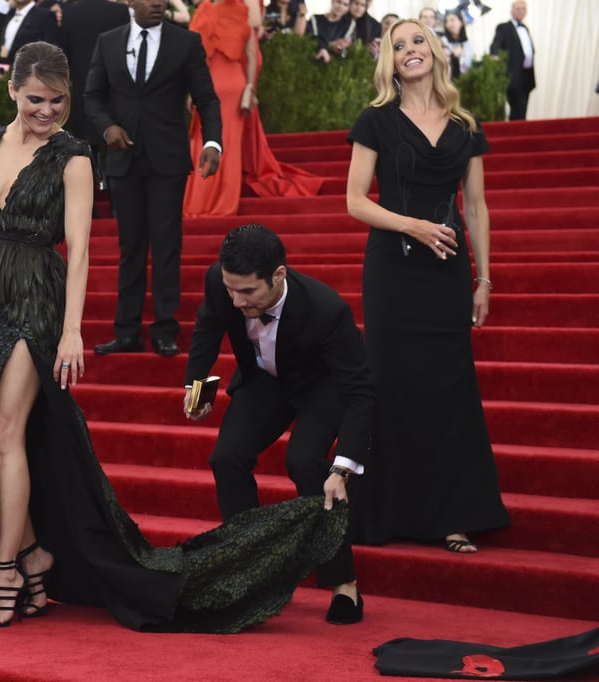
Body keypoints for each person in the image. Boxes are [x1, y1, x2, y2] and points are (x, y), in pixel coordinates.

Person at [0, 41, 347, 632]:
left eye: (58, 101)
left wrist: (71, 331)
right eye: (34, 99)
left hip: (34, 302)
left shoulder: (72, 157)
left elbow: (79, 253)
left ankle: (5, 573)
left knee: (4, 430)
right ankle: (32, 553)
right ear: (12, 91)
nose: (46, 110)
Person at [345, 19, 510, 552]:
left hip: (446, 276)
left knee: (447, 392)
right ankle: (387, 512)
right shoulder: (376, 121)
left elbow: (477, 209)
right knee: (390, 386)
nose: (409, 50)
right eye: (399, 46)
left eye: (418, 41)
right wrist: (411, 224)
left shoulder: (465, 124)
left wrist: (482, 279)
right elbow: (356, 200)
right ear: (388, 61)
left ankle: (452, 515)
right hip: (392, 272)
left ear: (435, 53)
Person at [183, 224, 373, 624]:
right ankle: (250, 572)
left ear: (279, 276)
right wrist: (198, 388)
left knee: (306, 463)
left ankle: (345, 586)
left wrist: (343, 467)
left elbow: (359, 392)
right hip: (263, 382)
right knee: (226, 458)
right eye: (230, 289)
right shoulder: (223, 283)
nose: (236, 300)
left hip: (320, 388)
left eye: (248, 292)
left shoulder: (327, 309)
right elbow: (207, 328)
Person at [85, 0, 222, 358]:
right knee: (130, 248)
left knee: (166, 246)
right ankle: (127, 331)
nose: (159, 3)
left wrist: (212, 142)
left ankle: (165, 329)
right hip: (124, 159)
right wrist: (107, 128)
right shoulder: (107, 42)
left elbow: (206, 98)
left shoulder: (186, 43)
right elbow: (92, 97)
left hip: (168, 161)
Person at [182, 0, 321, 217]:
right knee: (226, 144)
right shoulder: (241, 11)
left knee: (203, 141)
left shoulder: (201, 12)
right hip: (233, 85)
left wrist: (192, 90)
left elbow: (195, 59)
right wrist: (250, 88)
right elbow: (252, 55)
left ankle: (196, 203)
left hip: (208, 85)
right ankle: (220, 203)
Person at [58, 0, 129, 150]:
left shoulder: (70, 11)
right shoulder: (121, 11)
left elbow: (64, 51)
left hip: (81, 84)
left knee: (85, 144)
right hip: (114, 87)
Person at [489, 0, 534, 121]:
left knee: (522, 110)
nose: (521, 11)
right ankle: (517, 136)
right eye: (518, 9)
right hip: (513, 77)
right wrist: (494, 54)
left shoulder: (525, 28)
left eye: (523, 9)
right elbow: (495, 45)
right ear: (511, 11)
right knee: (518, 109)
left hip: (526, 77)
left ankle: (522, 135)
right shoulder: (504, 28)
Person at [0, 0, 60, 67]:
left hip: (29, 71)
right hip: (2, 68)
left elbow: (50, 50)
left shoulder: (44, 15)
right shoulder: (9, 13)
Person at [308, 0, 355, 64]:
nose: (340, 6)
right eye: (338, 2)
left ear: (348, 8)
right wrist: (330, 45)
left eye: (345, 5)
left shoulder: (349, 24)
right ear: (332, 1)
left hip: (335, 64)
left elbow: (344, 48)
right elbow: (311, 39)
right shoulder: (315, 19)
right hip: (312, 60)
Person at [442, 11, 472, 80]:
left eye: (452, 20)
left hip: (466, 80)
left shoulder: (466, 43)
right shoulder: (443, 41)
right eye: (446, 21)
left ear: (461, 23)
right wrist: (454, 56)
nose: (449, 23)